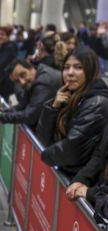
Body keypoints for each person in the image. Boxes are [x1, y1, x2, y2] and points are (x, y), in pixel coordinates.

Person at [37, 47, 108, 180]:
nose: (70, 73)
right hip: (66, 172)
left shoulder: (97, 102)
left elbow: (71, 150)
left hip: (81, 181)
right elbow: (42, 137)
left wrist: (43, 155)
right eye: (66, 67)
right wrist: (53, 106)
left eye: (78, 67)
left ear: (91, 70)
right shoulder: (68, 95)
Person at [0, 59, 62, 129]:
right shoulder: (32, 80)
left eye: (23, 74)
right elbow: (22, 105)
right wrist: (3, 112)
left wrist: (0, 116)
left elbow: (30, 116)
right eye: (17, 81)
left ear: (31, 68)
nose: (22, 82)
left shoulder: (44, 81)